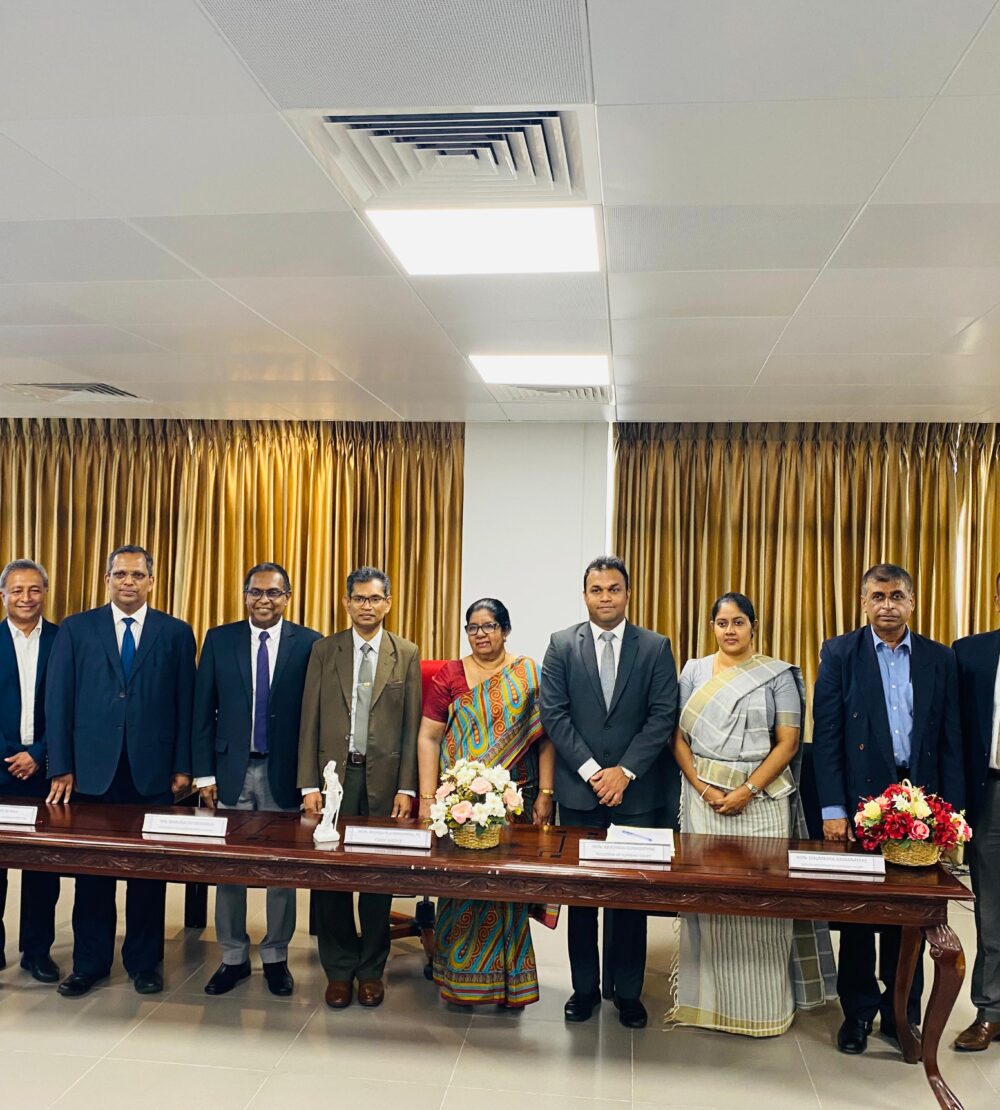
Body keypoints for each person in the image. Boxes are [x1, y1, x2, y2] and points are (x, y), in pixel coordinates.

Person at [812, 562, 964, 1054]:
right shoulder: (840, 653)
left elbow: (951, 740)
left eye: (897, 596)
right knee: (859, 913)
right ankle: (857, 1013)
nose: (887, 606)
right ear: (863, 603)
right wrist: (832, 809)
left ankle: (903, 1015)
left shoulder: (939, 658)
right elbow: (827, 736)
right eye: (877, 597)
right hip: (861, 801)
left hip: (922, 803)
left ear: (912, 601)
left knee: (910, 914)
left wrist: (952, 815)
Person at [671, 592, 833, 1036]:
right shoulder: (693, 671)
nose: (730, 630)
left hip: (762, 804)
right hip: (703, 800)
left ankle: (765, 1011)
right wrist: (703, 787)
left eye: (738, 621)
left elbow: (788, 742)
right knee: (709, 902)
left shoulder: (777, 674)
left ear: (753, 626)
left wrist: (747, 790)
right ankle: (707, 1006)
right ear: (712, 626)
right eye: (722, 622)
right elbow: (677, 738)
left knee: (764, 904)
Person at [45, 544, 196, 997]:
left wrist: (183, 765)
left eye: (137, 574)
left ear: (152, 581)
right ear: (106, 579)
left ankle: (145, 963)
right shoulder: (77, 629)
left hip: (152, 772)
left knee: (147, 875)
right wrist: (62, 765)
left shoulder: (175, 632)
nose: (128, 581)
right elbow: (59, 700)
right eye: (120, 574)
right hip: (92, 772)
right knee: (93, 874)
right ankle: (89, 964)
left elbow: (185, 704)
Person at [540, 554, 679, 1029]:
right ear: (585, 596)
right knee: (581, 896)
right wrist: (594, 772)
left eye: (614, 589)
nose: (605, 598)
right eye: (597, 590)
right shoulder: (562, 644)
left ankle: (628, 992)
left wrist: (625, 772)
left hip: (637, 794)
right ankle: (583, 989)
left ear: (627, 594)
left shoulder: (655, 646)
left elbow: (662, 715)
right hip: (579, 792)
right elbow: (554, 714)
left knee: (629, 896)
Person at [416, 598, 555, 1007]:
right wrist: (428, 798)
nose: (480, 634)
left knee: (505, 889)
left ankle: (508, 984)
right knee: (460, 888)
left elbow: (545, 738)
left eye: (489, 626)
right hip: (459, 804)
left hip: (515, 802)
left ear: (506, 630)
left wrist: (546, 794)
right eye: (473, 627)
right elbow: (429, 737)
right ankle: (457, 980)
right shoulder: (451, 675)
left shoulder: (527, 674)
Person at [192, 562, 321, 998]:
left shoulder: (310, 643)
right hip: (230, 769)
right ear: (245, 595)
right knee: (229, 867)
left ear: (288, 597)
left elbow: (314, 718)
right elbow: (202, 711)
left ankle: (276, 956)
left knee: (282, 868)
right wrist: (204, 774)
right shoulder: (219, 639)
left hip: (283, 771)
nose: (264, 600)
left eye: (273, 593)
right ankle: (232, 956)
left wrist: (310, 781)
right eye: (256, 592)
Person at [298, 565, 420, 1009]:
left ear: (388, 603)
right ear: (346, 603)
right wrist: (308, 783)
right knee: (330, 877)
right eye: (359, 598)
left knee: (377, 877)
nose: (367, 606)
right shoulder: (324, 650)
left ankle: (370, 970)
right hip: (335, 777)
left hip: (384, 781)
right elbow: (309, 718)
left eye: (375, 599)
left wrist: (408, 787)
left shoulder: (406, 652)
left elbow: (411, 726)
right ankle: (338, 969)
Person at [0, 559, 62, 983]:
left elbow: (72, 706)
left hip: (45, 773)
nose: (26, 598)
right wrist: (10, 754)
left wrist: (38, 753)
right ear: (3, 595)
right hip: (0, 769)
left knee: (43, 867)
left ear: (45, 593)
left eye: (34, 589)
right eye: (18, 590)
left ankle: (37, 952)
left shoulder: (63, 640)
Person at [952, 570, 1000, 1052]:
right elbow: (954, 730)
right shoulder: (970, 653)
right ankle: (990, 1011)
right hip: (993, 794)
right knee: (992, 907)